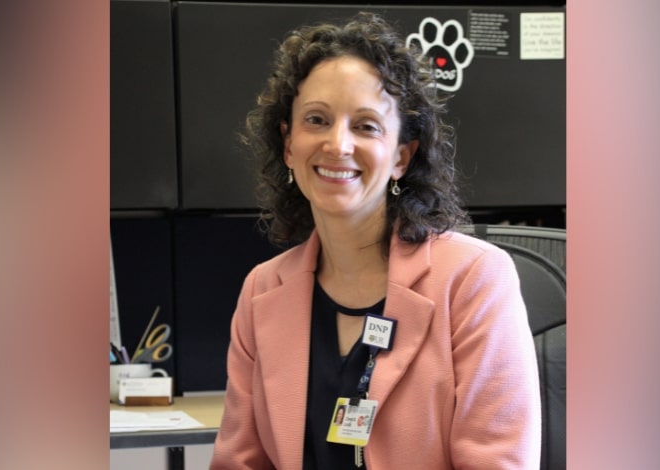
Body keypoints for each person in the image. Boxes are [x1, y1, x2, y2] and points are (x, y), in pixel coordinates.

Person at [209, 12, 540, 470]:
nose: (337, 145)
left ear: (402, 156)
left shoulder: (472, 279)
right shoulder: (262, 291)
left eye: (365, 126)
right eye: (317, 120)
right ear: (288, 145)